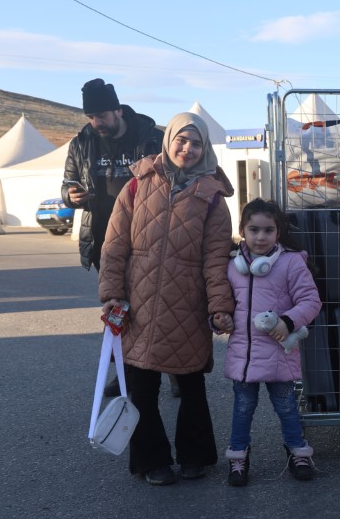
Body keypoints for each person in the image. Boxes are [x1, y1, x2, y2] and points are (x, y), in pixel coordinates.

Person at [98, 112, 235, 486]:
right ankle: (151, 460)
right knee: (142, 387)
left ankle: (195, 456)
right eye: (182, 140)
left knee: (191, 385)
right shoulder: (136, 185)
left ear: (205, 149)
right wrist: (111, 294)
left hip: (187, 304)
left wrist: (220, 306)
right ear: (169, 139)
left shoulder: (212, 198)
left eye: (196, 144)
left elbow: (216, 259)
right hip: (139, 304)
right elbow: (114, 246)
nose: (187, 149)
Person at [63, 79, 165, 397]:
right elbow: (67, 182)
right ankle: (125, 373)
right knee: (117, 309)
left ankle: (171, 367)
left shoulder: (150, 137)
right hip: (103, 241)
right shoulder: (81, 143)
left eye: (102, 115)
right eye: (91, 117)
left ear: (118, 110)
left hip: (145, 237)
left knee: (157, 306)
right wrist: (70, 195)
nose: (97, 123)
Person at [216, 199, 322, 487]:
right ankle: (238, 457)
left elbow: (311, 301)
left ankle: (298, 452)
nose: (260, 237)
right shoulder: (232, 266)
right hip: (244, 356)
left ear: (278, 232)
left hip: (279, 354)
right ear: (242, 231)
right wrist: (219, 320)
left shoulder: (291, 263)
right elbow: (221, 305)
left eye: (268, 230)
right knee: (242, 408)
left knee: (286, 407)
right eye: (254, 230)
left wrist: (287, 321)